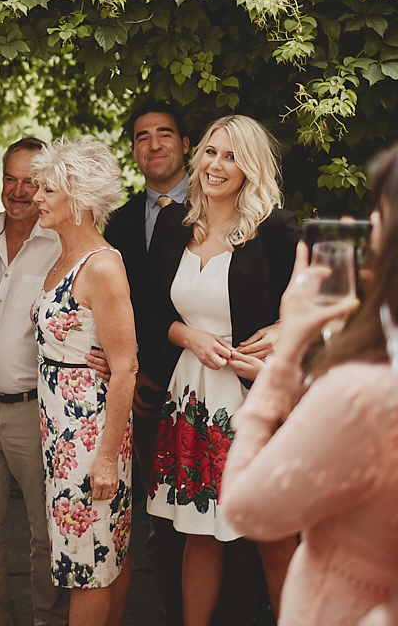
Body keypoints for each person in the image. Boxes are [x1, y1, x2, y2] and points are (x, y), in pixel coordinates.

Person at [219, 121, 398, 625]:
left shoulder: (368, 395)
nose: (369, 225)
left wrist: (287, 351)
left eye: (381, 212)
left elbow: (243, 507)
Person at [146, 115, 299, 626]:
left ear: (249, 167)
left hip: (253, 398)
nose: (216, 164)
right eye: (211, 152)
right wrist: (186, 335)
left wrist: (282, 329)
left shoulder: (275, 228)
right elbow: (150, 311)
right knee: (198, 532)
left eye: (231, 156)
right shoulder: (175, 224)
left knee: (274, 536)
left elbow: (332, 291)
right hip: (193, 396)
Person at [29, 136, 137, 626]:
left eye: (48, 190)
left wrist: (108, 457)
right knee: (99, 552)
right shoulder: (61, 260)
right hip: (62, 434)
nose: (36, 198)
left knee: (89, 563)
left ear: (80, 198)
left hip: (91, 434)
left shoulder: (103, 266)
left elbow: (126, 367)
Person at [0, 137, 68, 626]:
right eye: (11, 178)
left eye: (32, 180)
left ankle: (47, 619)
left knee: (45, 532)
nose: (20, 190)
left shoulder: (62, 244)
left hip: (36, 408)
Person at [101, 102, 189, 625]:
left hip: (200, 382)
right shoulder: (120, 221)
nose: (153, 144)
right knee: (139, 521)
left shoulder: (216, 205)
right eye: (142, 137)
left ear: (184, 144)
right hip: (135, 391)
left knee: (197, 523)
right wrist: (123, 373)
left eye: (164, 134)